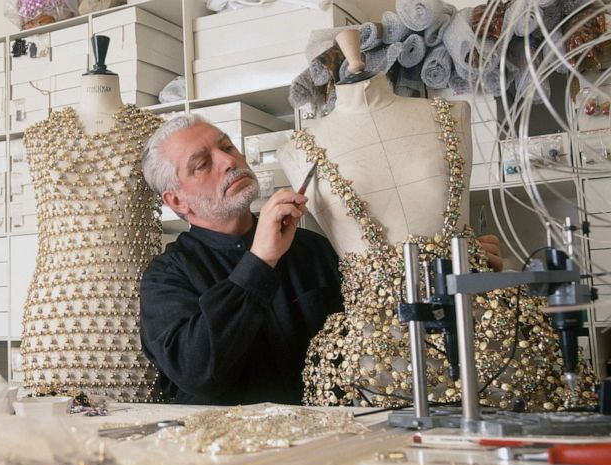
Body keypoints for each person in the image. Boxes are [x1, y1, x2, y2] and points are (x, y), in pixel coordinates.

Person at [138, 114, 504, 405]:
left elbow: (382, 320)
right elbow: (198, 371)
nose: (228, 161)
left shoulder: (313, 248)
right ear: (177, 202)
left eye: (227, 146)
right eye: (202, 163)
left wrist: (450, 273)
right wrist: (260, 260)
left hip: (335, 441)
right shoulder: (165, 277)